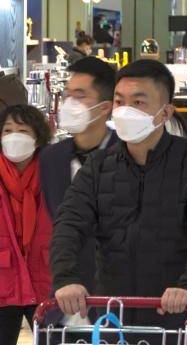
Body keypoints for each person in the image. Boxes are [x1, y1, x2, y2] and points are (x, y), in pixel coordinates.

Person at [50, 59, 187, 345]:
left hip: (176, 316)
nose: (125, 111)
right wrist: (66, 277)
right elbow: (69, 222)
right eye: (120, 101)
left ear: (165, 113)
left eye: (138, 102)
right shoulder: (99, 166)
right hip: (113, 316)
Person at [40, 57, 117, 296]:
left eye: (80, 95)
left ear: (105, 106)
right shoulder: (51, 158)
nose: (70, 103)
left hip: (115, 291)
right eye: (67, 95)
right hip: (66, 289)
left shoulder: (128, 155)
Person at [0, 105, 53, 344]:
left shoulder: (55, 171)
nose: (14, 137)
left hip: (47, 278)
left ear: (38, 137)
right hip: (3, 282)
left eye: (22, 130)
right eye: (7, 130)